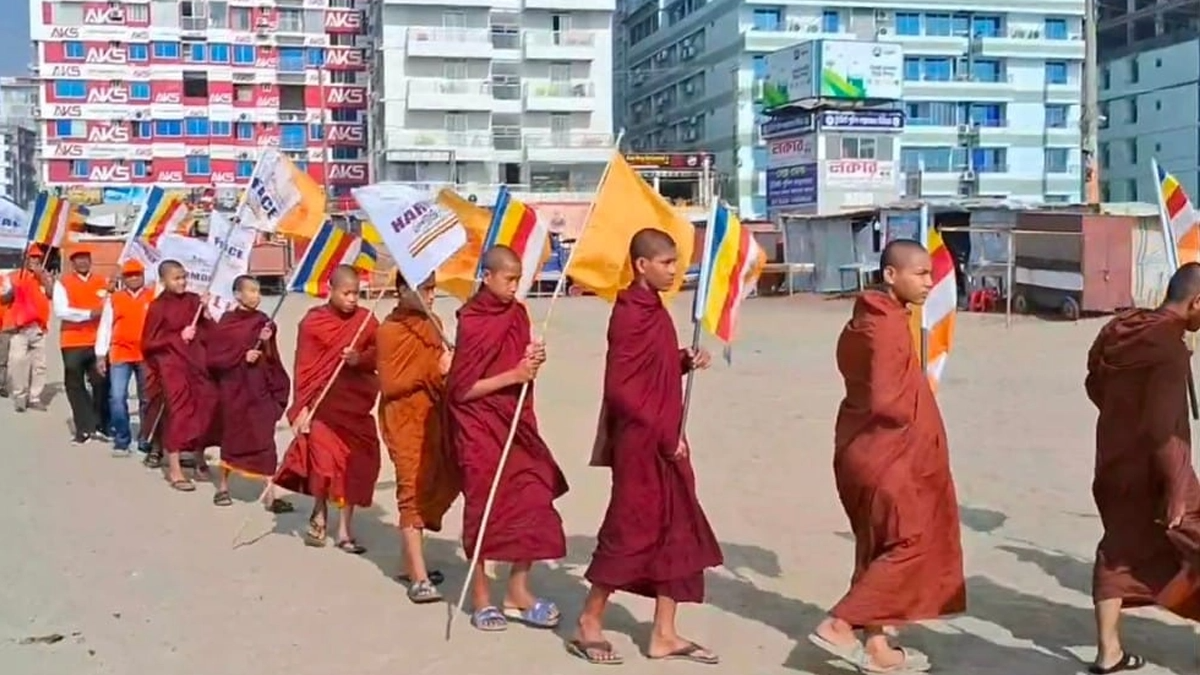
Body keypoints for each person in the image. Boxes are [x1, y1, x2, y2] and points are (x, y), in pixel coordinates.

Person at [809, 239, 965, 673]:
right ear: (891, 275)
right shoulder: (885, 326)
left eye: (930, 274)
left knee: (878, 548)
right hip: (886, 454)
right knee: (911, 542)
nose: (929, 282)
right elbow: (884, 399)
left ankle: (877, 648)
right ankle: (840, 624)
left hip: (863, 449)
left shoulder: (870, 319)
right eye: (921, 273)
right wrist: (914, 411)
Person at [570, 228, 723, 665]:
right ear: (642, 265)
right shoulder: (628, 314)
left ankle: (664, 633)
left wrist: (683, 360)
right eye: (666, 263)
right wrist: (664, 434)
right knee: (630, 528)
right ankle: (589, 621)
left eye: (675, 262)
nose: (674, 271)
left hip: (666, 438)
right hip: (641, 443)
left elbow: (653, 368)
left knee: (677, 528)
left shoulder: (655, 308)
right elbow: (622, 390)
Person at [1084, 261, 1200, 674]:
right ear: (1196, 302)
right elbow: (1163, 429)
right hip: (1158, 469)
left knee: (1117, 549)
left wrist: (1122, 415)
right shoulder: (1168, 349)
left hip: (1114, 460)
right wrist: (1176, 489)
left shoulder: (1118, 329)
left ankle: (1108, 653)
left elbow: (1094, 384)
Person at [447, 245, 568, 632]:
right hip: (479, 427)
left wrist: (532, 360)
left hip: (516, 424)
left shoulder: (518, 314)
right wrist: (513, 375)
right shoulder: (472, 320)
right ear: (487, 277)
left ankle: (518, 591)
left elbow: (519, 366)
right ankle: (482, 598)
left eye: (518, 279)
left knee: (535, 497)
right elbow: (461, 390)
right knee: (484, 511)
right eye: (509, 279)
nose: (515, 286)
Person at [276, 265, 381, 553]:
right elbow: (304, 368)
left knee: (353, 467)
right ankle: (319, 512)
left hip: (354, 408)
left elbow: (379, 355)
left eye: (356, 293)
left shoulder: (367, 320)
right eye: (346, 293)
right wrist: (301, 408)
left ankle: (345, 530)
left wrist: (359, 359)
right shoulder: (313, 323)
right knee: (323, 468)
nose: (352, 299)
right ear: (331, 290)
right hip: (323, 408)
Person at [376, 270, 460, 604]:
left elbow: (441, 372)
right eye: (424, 289)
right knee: (410, 489)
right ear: (402, 290)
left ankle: (408, 563)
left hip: (433, 416)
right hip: (403, 419)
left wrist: (450, 368)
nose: (431, 296)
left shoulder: (434, 323)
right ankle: (419, 579)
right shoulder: (389, 330)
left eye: (434, 289)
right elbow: (390, 384)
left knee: (438, 481)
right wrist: (433, 371)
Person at [206, 275, 292, 511]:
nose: (257, 296)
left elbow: (271, 356)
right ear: (237, 294)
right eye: (251, 291)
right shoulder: (227, 322)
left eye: (258, 291)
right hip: (234, 389)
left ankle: (270, 495)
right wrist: (241, 357)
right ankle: (223, 487)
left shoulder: (263, 321)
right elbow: (214, 358)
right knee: (232, 438)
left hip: (258, 388)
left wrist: (266, 340)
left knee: (266, 439)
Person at [140, 259, 218, 491]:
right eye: (176, 278)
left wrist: (206, 313)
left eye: (184, 277)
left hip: (197, 363)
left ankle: (199, 458)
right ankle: (175, 469)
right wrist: (177, 337)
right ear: (163, 281)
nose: (182, 282)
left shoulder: (194, 300)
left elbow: (210, 332)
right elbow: (148, 343)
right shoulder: (158, 306)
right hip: (171, 366)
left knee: (205, 409)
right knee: (178, 413)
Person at [95, 260, 156, 457]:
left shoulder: (154, 297)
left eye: (137, 274)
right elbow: (105, 327)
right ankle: (122, 439)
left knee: (147, 399)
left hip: (146, 356)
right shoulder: (114, 299)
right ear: (124, 278)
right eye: (130, 275)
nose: (134, 278)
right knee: (117, 397)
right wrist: (100, 355)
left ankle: (145, 439)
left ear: (143, 276)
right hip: (120, 354)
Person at [54, 243, 111, 444]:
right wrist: (89, 314)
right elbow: (61, 311)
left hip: (98, 341)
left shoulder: (103, 282)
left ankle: (100, 423)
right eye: (78, 259)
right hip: (72, 341)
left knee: (101, 382)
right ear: (72, 263)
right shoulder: (63, 283)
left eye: (86, 258)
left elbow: (110, 308)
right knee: (74, 383)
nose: (83, 262)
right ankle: (84, 427)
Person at [1, 244, 51, 412]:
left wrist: (43, 277)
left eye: (38, 258)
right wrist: (12, 292)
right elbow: (4, 298)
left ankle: (35, 397)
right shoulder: (14, 276)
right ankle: (20, 396)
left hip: (38, 327)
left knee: (39, 365)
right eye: (32, 257)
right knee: (16, 362)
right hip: (18, 328)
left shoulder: (44, 276)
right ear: (25, 259)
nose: (35, 260)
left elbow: (52, 294)